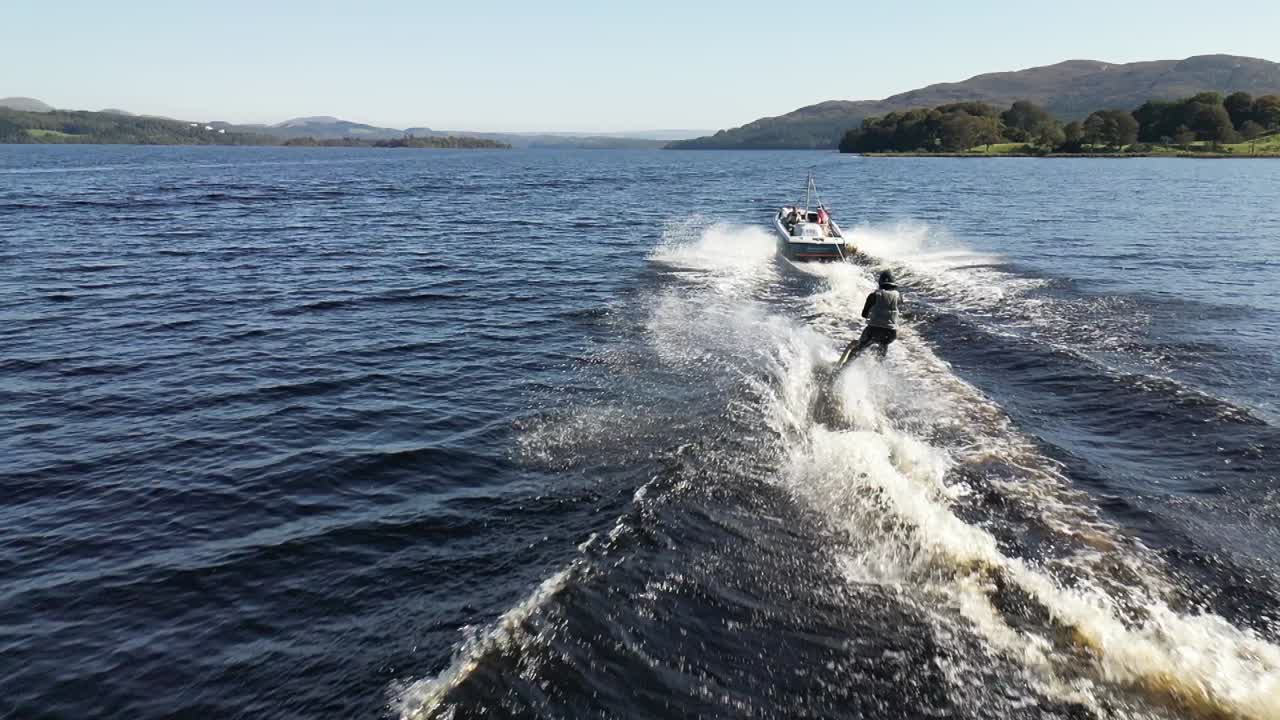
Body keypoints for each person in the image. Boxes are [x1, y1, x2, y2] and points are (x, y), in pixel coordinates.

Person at [838, 270, 902, 366]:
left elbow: (864, 314)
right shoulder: (899, 297)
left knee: (858, 349)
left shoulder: (874, 295)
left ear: (880, 283)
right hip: (890, 334)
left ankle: (843, 369)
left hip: (873, 331)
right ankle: (877, 370)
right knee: (883, 346)